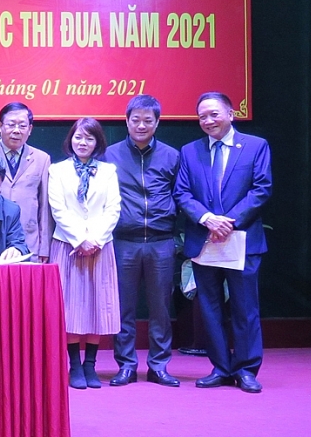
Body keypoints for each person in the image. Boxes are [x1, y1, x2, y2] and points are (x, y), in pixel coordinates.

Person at [173, 92, 272, 393]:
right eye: (202, 116)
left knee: (245, 308)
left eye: (214, 114)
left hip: (241, 239)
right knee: (210, 308)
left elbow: (261, 188)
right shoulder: (190, 151)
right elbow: (182, 193)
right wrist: (207, 219)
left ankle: (246, 370)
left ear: (231, 114)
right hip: (205, 240)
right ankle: (220, 368)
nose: (208, 120)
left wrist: (228, 221)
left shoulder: (255, 146)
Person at [103, 96, 181, 387]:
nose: (141, 125)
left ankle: (159, 366)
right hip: (124, 241)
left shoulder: (172, 156)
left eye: (148, 120)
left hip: (161, 241)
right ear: (126, 121)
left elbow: (181, 194)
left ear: (157, 123)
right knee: (124, 308)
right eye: (135, 119)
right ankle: (126, 365)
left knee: (161, 309)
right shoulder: (109, 155)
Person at [48, 118, 121, 389]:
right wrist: (80, 239)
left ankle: (90, 364)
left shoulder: (108, 171)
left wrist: (96, 240)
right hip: (68, 245)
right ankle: (74, 365)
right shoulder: (57, 170)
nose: (83, 142)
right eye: (78, 137)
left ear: (97, 142)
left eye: (89, 138)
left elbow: (113, 209)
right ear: (71, 139)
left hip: (100, 247)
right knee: (71, 307)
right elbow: (58, 209)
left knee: (96, 305)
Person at [0, 102, 53, 262]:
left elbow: (44, 207)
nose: (16, 130)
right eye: (11, 124)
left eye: (22, 126)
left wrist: (44, 248)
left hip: (28, 241)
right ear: (0, 126)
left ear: (30, 129)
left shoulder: (42, 159)